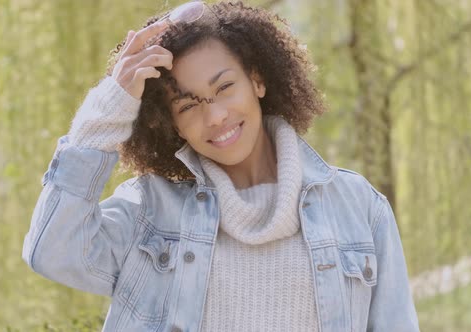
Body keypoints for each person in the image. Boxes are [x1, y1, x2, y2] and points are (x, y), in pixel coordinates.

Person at [22, 1, 419, 331]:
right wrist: (108, 108)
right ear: (171, 122)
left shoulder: (359, 208)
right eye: (189, 104)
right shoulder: (148, 212)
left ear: (257, 82)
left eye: (224, 88)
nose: (215, 117)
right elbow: (52, 251)